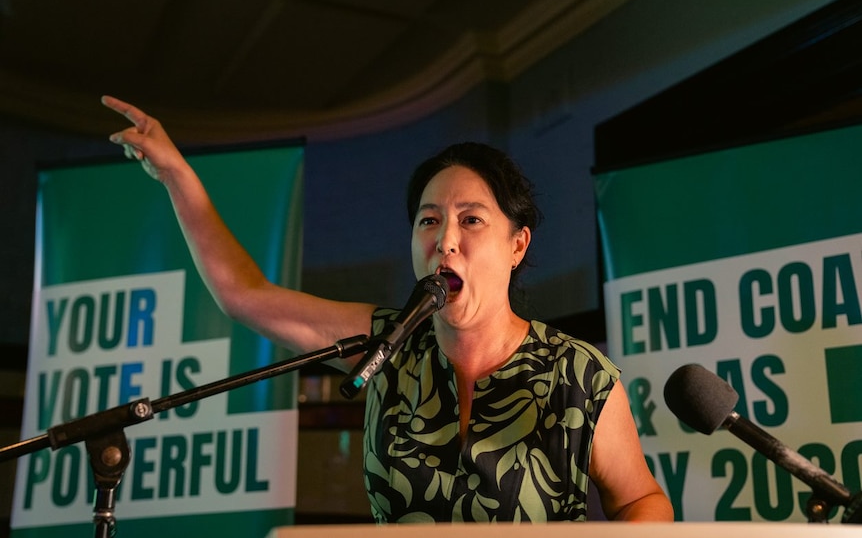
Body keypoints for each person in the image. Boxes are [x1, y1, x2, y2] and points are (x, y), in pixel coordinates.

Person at [102, 95, 673, 523]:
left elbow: (642, 501)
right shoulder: (384, 346)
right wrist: (178, 176)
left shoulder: (579, 374)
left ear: (517, 244)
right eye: (428, 220)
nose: (444, 240)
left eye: (471, 220)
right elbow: (243, 295)